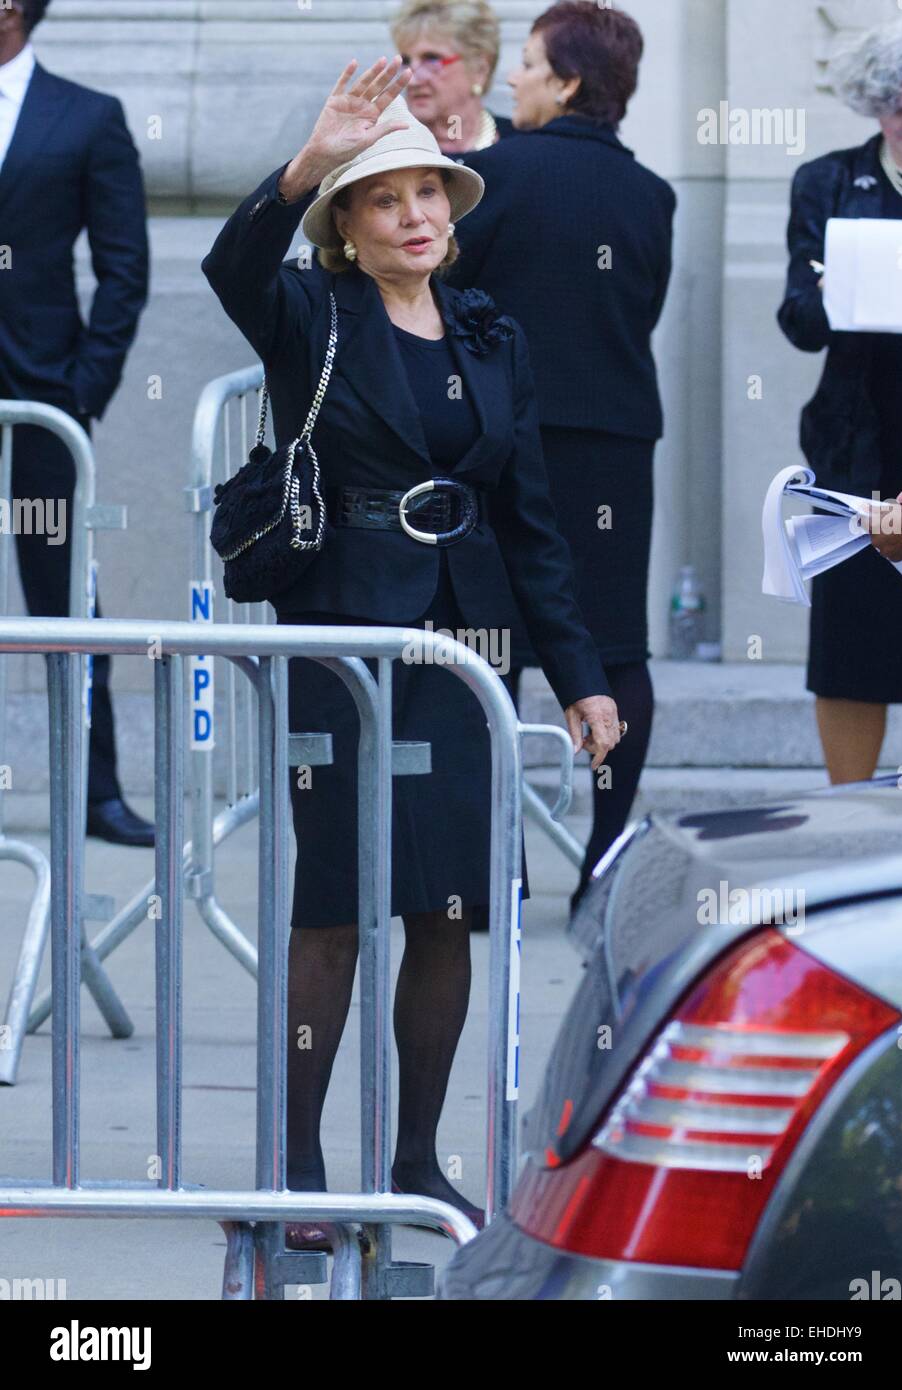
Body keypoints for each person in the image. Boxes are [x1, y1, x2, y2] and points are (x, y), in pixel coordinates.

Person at [202, 56, 623, 1248]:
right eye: (386, 200)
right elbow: (229, 263)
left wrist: (584, 676)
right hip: (341, 644)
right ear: (348, 221)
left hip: (465, 654)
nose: (416, 216)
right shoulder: (309, 315)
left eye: (430, 194)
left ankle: (416, 1160)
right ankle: (295, 1171)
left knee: (446, 912)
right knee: (333, 906)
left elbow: (535, 522)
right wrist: (308, 156)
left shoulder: (493, 334)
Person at [445, 3, 675, 909]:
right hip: (616, 442)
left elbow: (450, 299)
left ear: (570, 81)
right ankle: (605, 855)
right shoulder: (653, 194)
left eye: (530, 65)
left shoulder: (488, 176)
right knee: (615, 648)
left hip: (506, 443)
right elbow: (638, 310)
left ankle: (495, 858)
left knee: (487, 643)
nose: (514, 79)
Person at [0, 0, 152, 844]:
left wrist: (84, 385)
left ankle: (96, 794)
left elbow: (124, 266)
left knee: (66, 594)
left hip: (44, 392)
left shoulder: (88, 118)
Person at [778, 18, 902, 785]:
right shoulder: (827, 181)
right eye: (895, 102)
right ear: (871, 102)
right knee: (852, 648)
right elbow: (797, 324)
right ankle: (850, 821)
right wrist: (832, 294)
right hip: (857, 446)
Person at [390, 0, 516, 152]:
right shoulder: (391, 150)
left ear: (480, 69)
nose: (412, 80)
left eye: (432, 59)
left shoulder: (523, 148)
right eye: (406, 61)